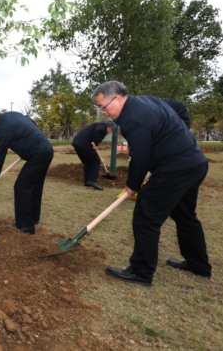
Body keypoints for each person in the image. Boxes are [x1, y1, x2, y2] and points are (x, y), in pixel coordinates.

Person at [92, 81, 211, 287]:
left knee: (146, 216)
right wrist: (179, 135)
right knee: (185, 215)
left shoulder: (133, 118)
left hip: (176, 169)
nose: (103, 113)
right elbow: (178, 106)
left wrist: (132, 185)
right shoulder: (147, 100)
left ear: (118, 99)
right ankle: (198, 265)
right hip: (195, 163)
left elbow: (140, 156)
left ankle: (141, 271)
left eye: (103, 107)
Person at [0, 106, 54, 234]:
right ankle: (33, 219)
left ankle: (26, 227)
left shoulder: (2, 127)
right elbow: (32, 123)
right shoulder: (12, 115)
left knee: (21, 186)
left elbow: (0, 154)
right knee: (35, 186)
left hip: (38, 155)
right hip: (46, 150)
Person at [72, 121, 115, 190]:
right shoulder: (102, 127)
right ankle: (92, 181)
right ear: (110, 128)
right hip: (84, 143)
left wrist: (95, 145)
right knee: (96, 161)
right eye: (111, 130)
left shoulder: (99, 126)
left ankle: (87, 182)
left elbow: (95, 135)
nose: (110, 132)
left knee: (88, 162)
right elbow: (97, 131)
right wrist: (96, 143)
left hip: (77, 142)